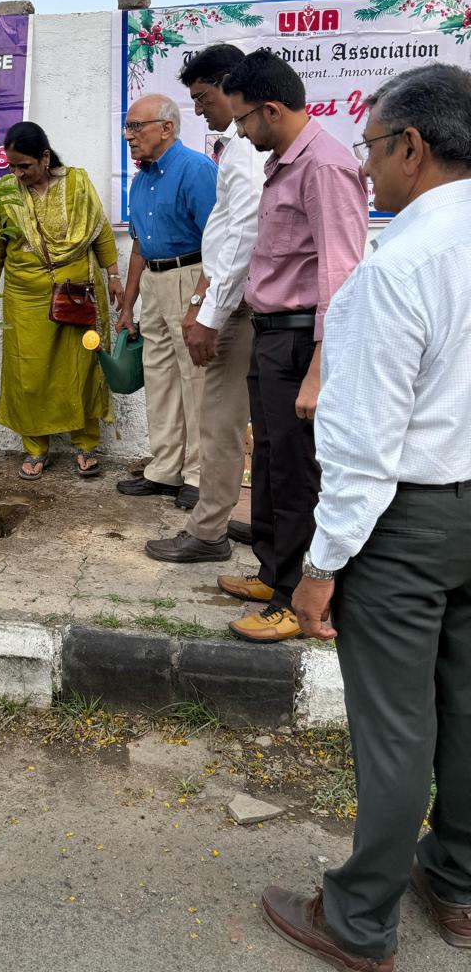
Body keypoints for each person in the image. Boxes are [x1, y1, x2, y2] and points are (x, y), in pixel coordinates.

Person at [263, 63, 471, 970]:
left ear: (412, 147)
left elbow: (362, 445)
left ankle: (357, 920)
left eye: (374, 146)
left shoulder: (396, 270)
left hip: (407, 521)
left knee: (396, 729)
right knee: (467, 705)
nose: (366, 166)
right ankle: (457, 884)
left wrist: (319, 567)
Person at [218, 50, 367, 642]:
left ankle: (293, 600)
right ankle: (272, 572)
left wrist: (320, 371)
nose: (239, 131)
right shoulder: (286, 163)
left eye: (243, 118)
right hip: (274, 335)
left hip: (303, 342)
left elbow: (341, 277)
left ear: (272, 109)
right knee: (271, 464)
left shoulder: (324, 167)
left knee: (298, 471)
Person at [144, 45, 265, 564]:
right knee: (245, 422)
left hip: (235, 301)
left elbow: (240, 234)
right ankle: (261, 524)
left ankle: (209, 531)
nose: (198, 110)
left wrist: (207, 310)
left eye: (203, 97)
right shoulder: (237, 146)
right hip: (236, 296)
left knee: (217, 420)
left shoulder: (242, 150)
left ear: (231, 86)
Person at [0, 122, 123, 479]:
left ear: (44, 157)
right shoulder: (6, 193)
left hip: (77, 293)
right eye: (12, 166)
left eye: (24, 166)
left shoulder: (77, 183)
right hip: (25, 297)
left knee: (82, 367)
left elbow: (99, 230)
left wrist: (114, 276)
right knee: (29, 373)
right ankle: (36, 448)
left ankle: (86, 445)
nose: (18, 174)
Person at [115, 94, 217, 507]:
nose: (129, 136)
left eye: (136, 127)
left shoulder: (196, 169)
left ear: (167, 128)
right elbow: (139, 245)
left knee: (197, 380)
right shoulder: (141, 179)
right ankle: (165, 469)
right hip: (154, 281)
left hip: (190, 275)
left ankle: (199, 475)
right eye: (127, 127)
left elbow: (218, 242)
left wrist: (200, 300)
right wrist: (128, 305)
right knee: (159, 377)